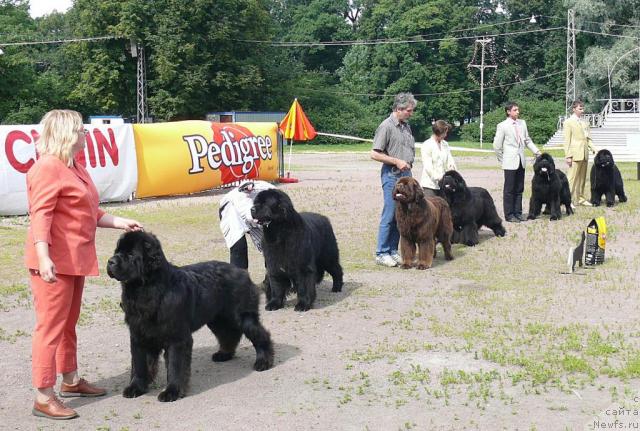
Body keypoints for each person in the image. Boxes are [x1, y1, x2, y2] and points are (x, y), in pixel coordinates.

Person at [24, 109, 143, 420]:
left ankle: (70, 380)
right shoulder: (47, 168)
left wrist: (120, 222)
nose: (86, 135)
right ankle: (43, 395)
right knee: (50, 327)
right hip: (53, 262)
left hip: (74, 260)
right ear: (66, 135)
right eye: (81, 130)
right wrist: (44, 256)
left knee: (68, 323)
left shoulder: (75, 166)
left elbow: (91, 213)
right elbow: (41, 215)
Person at [371, 92, 417, 267]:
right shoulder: (386, 126)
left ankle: (392, 249)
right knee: (390, 214)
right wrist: (396, 161)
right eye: (408, 110)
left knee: (402, 215)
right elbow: (374, 153)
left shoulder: (406, 126)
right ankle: (381, 252)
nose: (411, 113)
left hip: (406, 175)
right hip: (392, 176)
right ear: (398, 109)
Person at [493, 101, 541, 223]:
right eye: (515, 110)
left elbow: (527, 140)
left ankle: (518, 213)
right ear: (508, 112)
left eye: (518, 110)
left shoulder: (522, 123)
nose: (518, 112)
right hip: (509, 161)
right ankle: (509, 215)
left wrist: (537, 151)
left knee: (519, 188)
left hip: (521, 160)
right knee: (509, 189)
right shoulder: (502, 125)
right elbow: (497, 145)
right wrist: (502, 159)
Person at [218, 179, 275, 269]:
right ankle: (238, 282)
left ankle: (269, 281)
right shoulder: (255, 192)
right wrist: (256, 217)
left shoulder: (281, 207)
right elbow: (244, 187)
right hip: (231, 208)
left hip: (258, 214)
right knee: (239, 247)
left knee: (271, 248)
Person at [563, 99, 596, 208]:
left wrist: (595, 149)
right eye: (580, 108)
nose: (582, 110)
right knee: (571, 178)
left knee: (582, 179)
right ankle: (567, 200)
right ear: (574, 109)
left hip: (585, 153)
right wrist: (568, 156)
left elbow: (588, 139)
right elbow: (566, 140)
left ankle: (580, 198)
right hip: (574, 154)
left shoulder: (585, 123)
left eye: (583, 108)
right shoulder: (568, 122)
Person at [419, 120, 457, 197]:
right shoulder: (427, 145)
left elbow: (450, 159)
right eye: (445, 133)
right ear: (439, 132)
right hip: (430, 185)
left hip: (443, 185)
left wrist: (452, 169)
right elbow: (428, 166)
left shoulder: (445, 144)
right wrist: (439, 178)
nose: (446, 135)